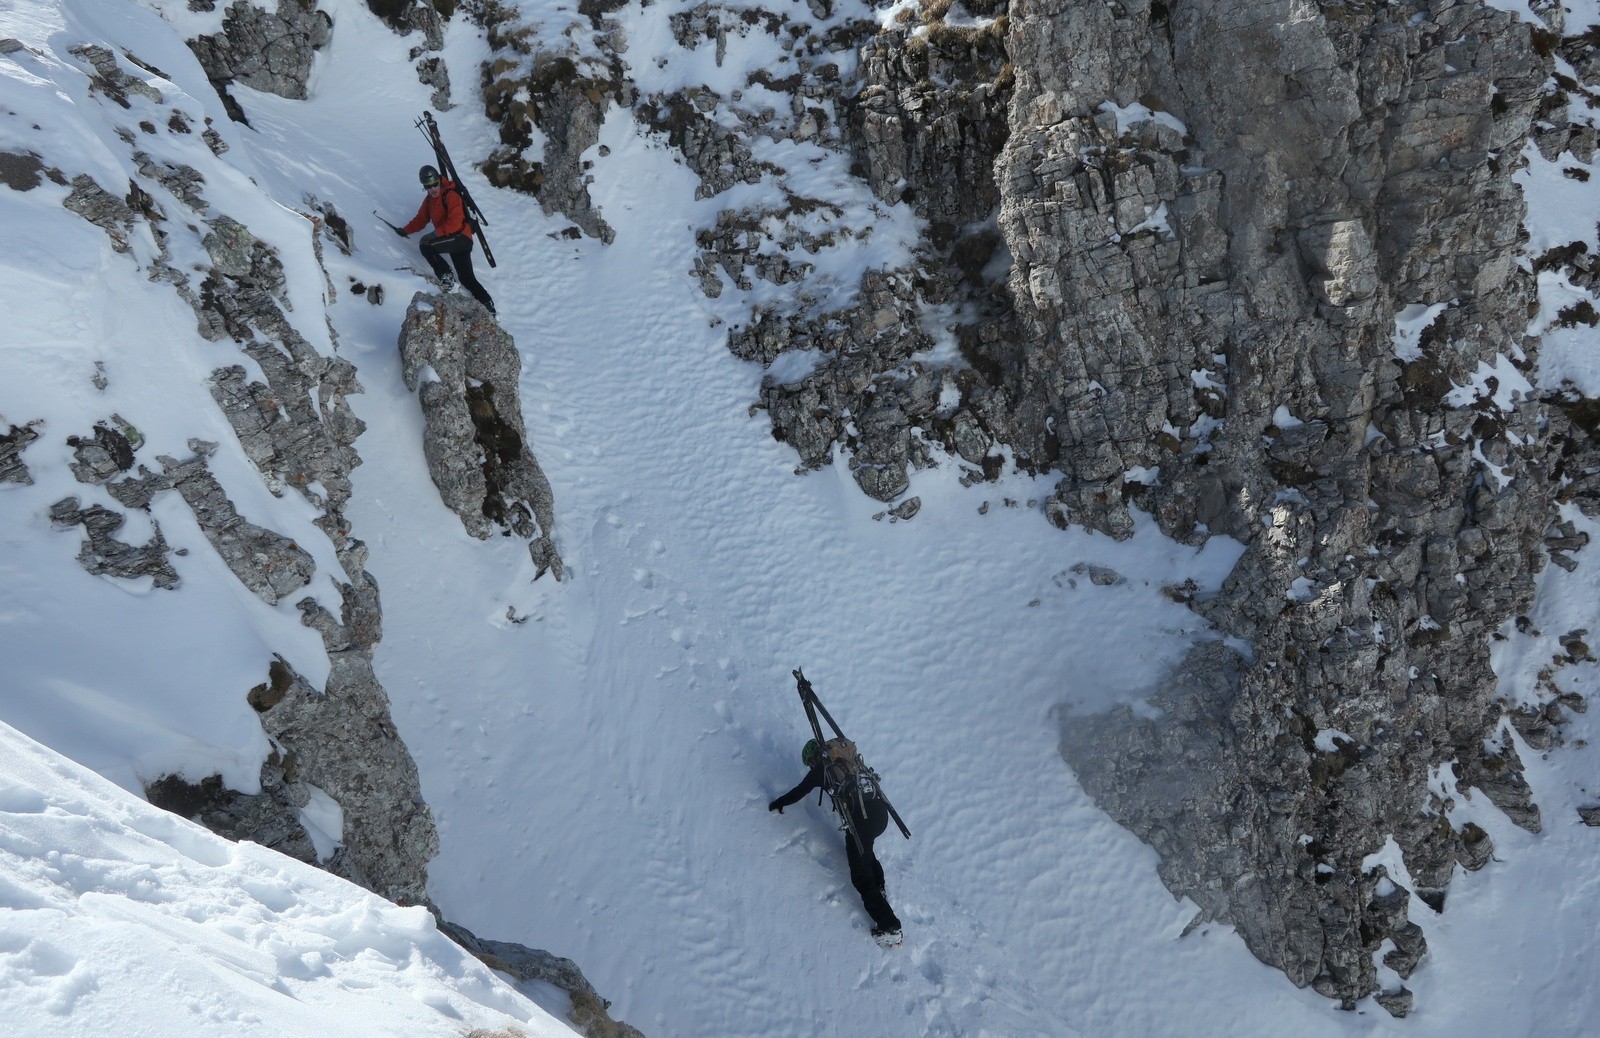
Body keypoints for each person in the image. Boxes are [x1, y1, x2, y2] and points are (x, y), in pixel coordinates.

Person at [769, 738, 902, 944]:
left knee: (860, 877)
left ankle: (890, 927)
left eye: (811, 763)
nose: (812, 766)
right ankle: (880, 889)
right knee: (866, 851)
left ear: (814, 758)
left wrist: (779, 802)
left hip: (861, 821)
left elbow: (799, 791)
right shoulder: (849, 760)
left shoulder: (823, 770)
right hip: (878, 812)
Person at [396, 164, 495, 316]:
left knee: (426, 244)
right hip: (454, 241)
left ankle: (446, 277)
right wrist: (404, 230)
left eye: (435, 185)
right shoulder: (429, 201)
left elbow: (455, 223)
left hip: (460, 237)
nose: (433, 189)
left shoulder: (451, 195)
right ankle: (489, 305)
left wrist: (435, 234)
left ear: (439, 181)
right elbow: (420, 220)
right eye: (428, 187)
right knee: (467, 279)